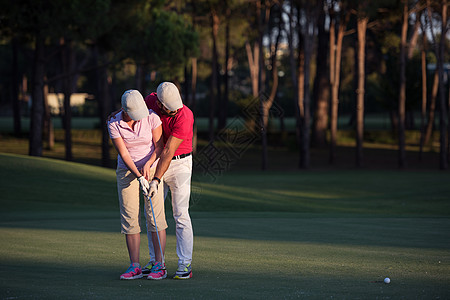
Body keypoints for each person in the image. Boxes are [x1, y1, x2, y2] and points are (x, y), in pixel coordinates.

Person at [107, 89, 168, 280]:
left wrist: (149, 166)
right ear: (125, 110)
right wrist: (138, 175)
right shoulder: (114, 123)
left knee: (155, 216)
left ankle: (160, 264)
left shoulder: (152, 117)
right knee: (130, 216)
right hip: (127, 171)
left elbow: (159, 147)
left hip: (151, 168)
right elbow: (124, 154)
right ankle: (135, 266)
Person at [145, 82, 194, 280]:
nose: (174, 111)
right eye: (169, 109)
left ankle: (185, 264)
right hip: (157, 160)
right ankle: (157, 261)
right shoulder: (150, 100)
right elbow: (133, 109)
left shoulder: (185, 115)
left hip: (180, 164)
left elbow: (168, 151)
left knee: (180, 214)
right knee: (153, 214)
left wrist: (156, 179)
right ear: (159, 103)